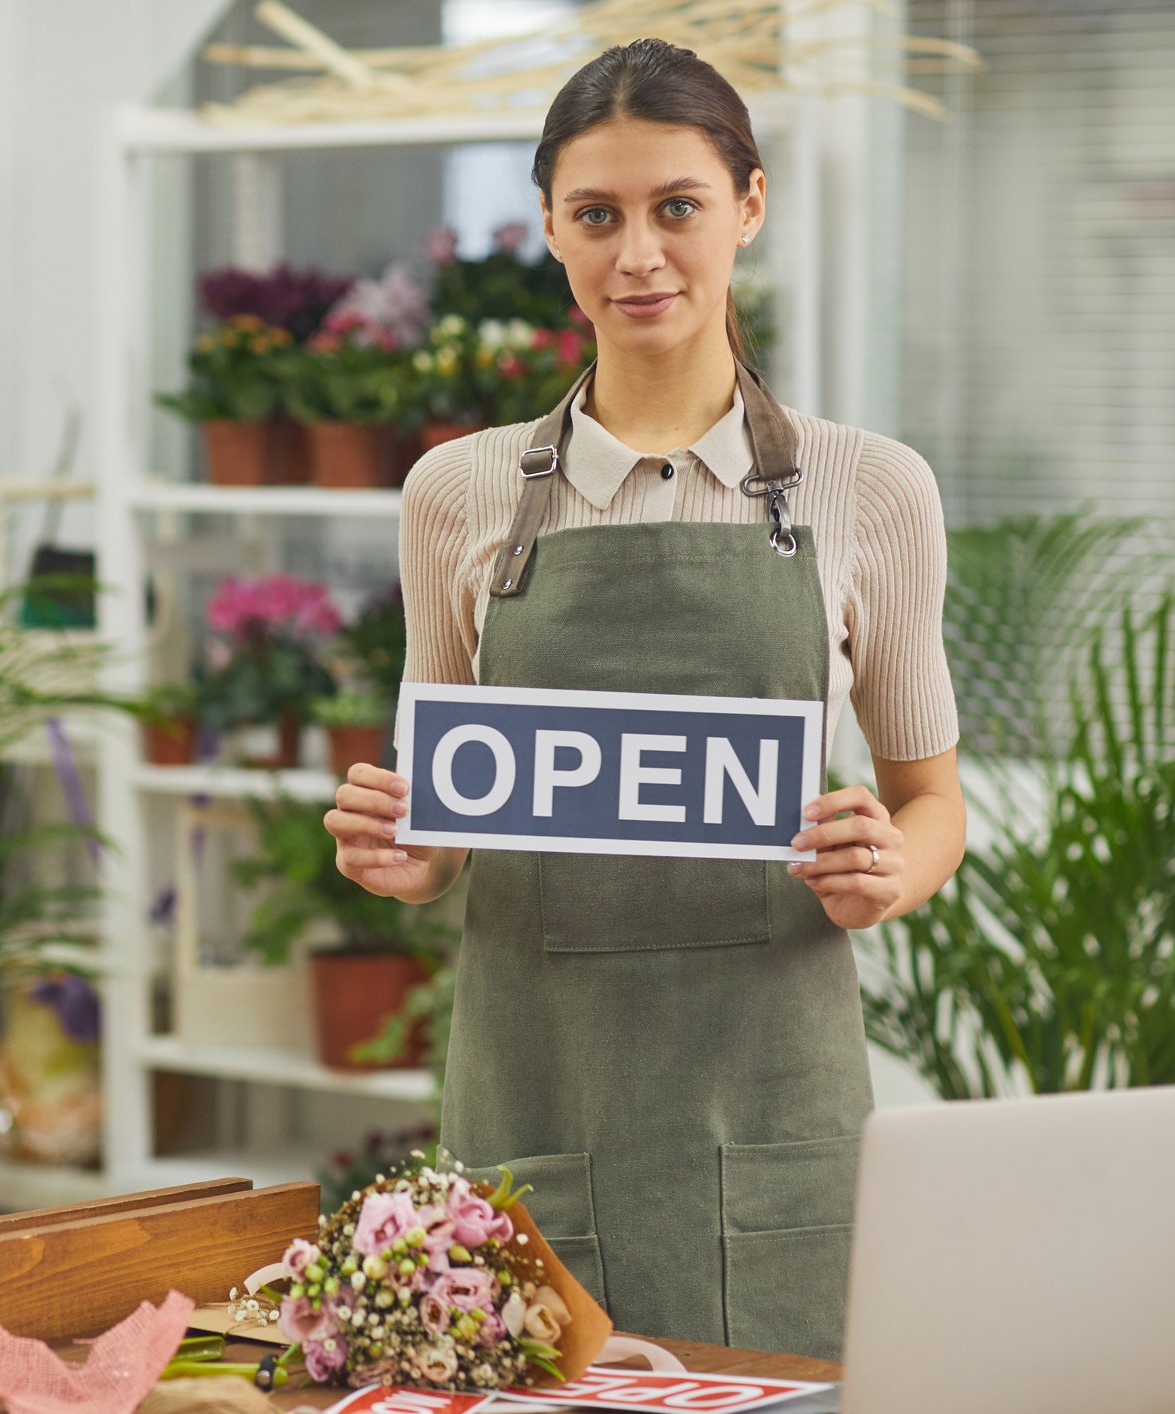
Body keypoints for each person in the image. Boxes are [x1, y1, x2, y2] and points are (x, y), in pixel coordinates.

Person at [322, 38, 965, 1363]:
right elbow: (442, 824)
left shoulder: (869, 491)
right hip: (537, 1093)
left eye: (676, 206)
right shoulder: (456, 494)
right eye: (595, 215)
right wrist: (400, 853)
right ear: (549, 227)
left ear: (746, 206)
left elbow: (929, 797)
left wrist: (886, 873)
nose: (638, 256)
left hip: (774, 1117)